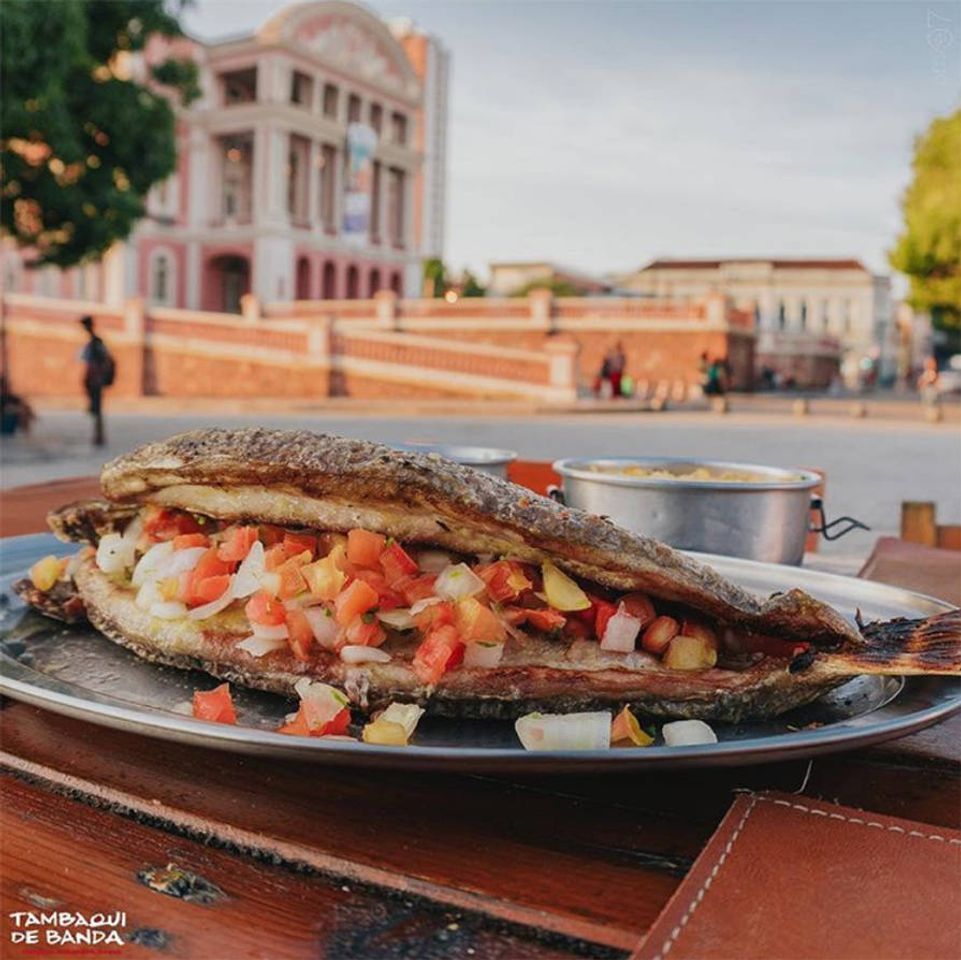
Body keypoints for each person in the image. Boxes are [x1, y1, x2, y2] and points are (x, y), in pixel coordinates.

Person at [79, 315, 115, 447]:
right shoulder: (93, 342)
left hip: (96, 379)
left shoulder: (96, 342)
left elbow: (102, 361)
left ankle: (99, 436)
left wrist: (98, 377)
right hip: (94, 378)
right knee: (96, 408)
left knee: (97, 408)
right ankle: (98, 435)